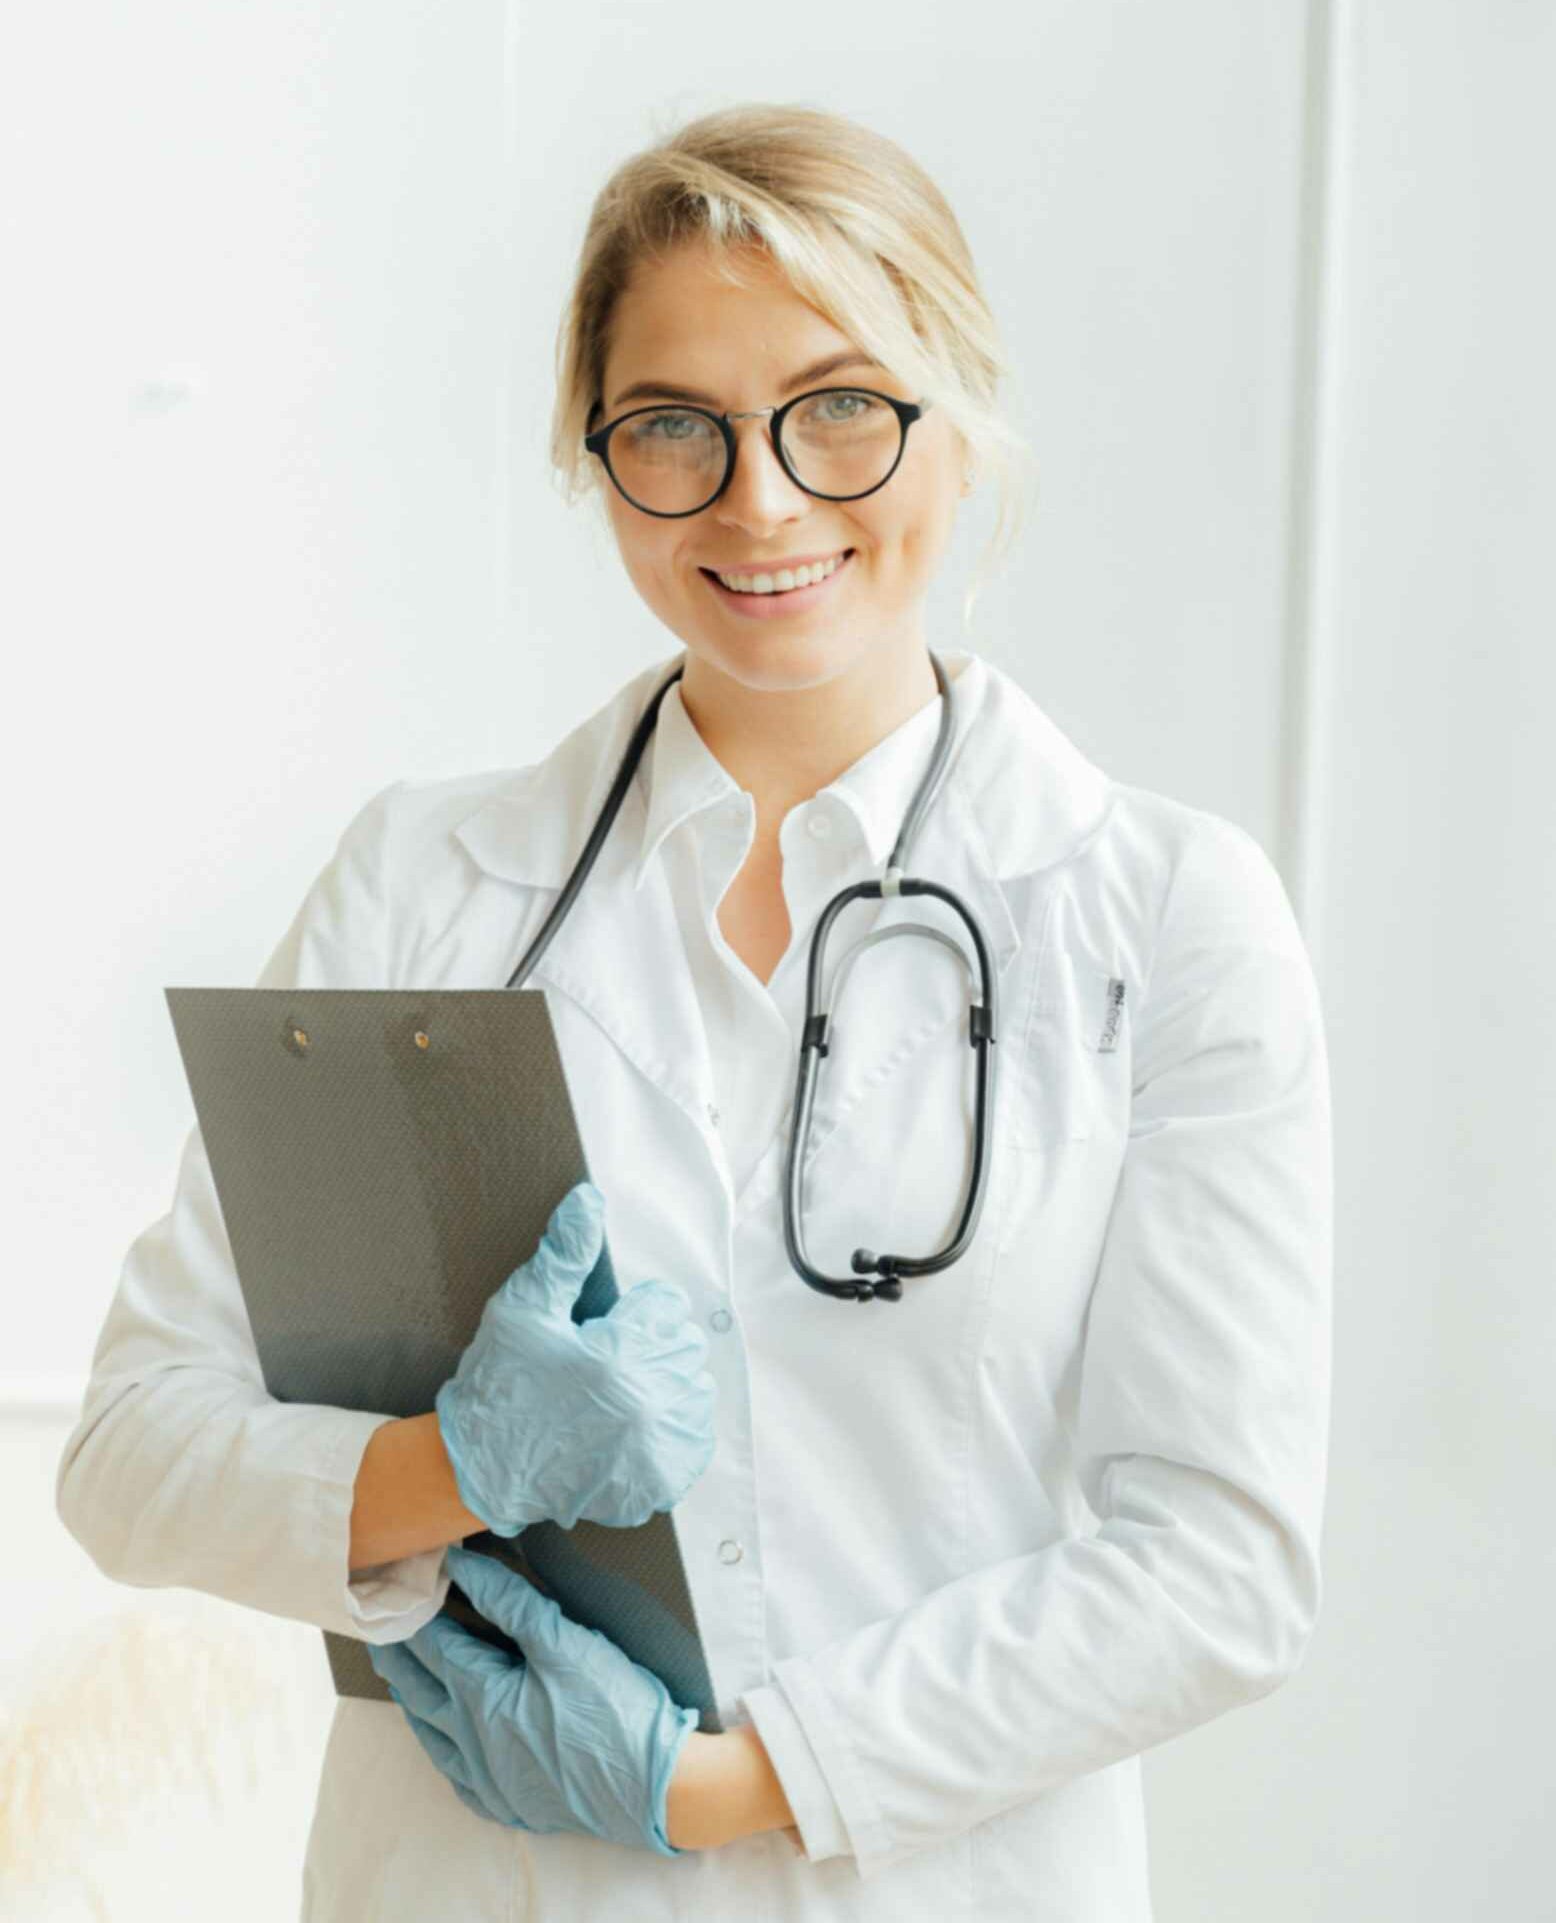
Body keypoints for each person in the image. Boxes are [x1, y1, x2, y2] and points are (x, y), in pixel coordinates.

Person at [55, 101, 1333, 1922]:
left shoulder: (1162, 916)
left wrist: (722, 1788)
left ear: (959, 416)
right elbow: (130, 1450)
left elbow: (1220, 1563)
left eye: (840, 407)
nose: (761, 498)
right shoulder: (427, 885)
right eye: (672, 424)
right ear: (593, 455)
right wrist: (447, 1467)